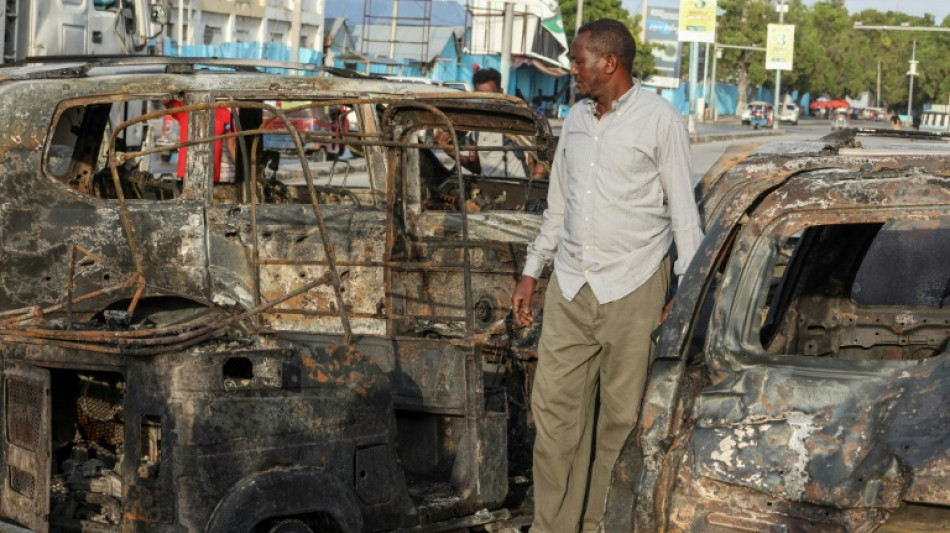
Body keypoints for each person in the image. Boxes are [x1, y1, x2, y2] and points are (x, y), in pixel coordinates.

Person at [510, 19, 703, 532]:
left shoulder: (660, 120)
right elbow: (559, 207)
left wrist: (684, 294)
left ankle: (599, 525)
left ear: (609, 63)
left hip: (635, 287)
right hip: (572, 287)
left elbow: (685, 215)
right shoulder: (573, 120)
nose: (572, 70)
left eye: (578, 62)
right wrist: (532, 272)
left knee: (619, 425)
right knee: (554, 422)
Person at [436, 68, 548, 180]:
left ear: (501, 93)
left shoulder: (519, 121)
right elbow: (478, 168)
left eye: (490, 97)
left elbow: (544, 159)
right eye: (480, 98)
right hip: (488, 192)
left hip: (517, 191)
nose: (485, 103)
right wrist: (452, 153)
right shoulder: (477, 129)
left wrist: (533, 190)